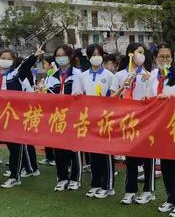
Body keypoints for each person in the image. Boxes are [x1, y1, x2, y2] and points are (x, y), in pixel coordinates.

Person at [110, 43, 155, 205]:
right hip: (127, 120)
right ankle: (130, 190)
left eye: (143, 53)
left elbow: (154, 99)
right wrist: (123, 87)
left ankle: (149, 190)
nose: (141, 55)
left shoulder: (150, 75)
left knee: (147, 156)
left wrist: (149, 82)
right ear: (130, 54)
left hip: (145, 121)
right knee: (130, 158)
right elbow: (111, 98)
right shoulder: (120, 75)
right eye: (138, 52)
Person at [149, 44, 175, 217]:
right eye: (161, 56)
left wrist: (170, 98)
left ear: (172, 59)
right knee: (165, 165)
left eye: (167, 57)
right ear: (156, 58)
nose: (164, 60)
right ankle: (170, 198)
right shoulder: (153, 77)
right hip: (160, 126)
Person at [74, 44, 115, 199]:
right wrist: (78, 95)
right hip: (89, 119)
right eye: (93, 54)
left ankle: (108, 186)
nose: (96, 57)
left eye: (98, 54)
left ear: (102, 56)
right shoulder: (82, 76)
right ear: (89, 57)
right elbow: (78, 94)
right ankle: (96, 183)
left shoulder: (110, 76)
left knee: (105, 153)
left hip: (105, 119)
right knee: (93, 154)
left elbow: (114, 97)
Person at [0, 47, 44, 189]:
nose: (5, 60)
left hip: (14, 116)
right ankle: (16, 171)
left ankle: (15, 176)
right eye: (3, 58)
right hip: (2, 117)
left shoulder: (14, 74)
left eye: (8, 58)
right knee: (10, 146)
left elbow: (24, 65)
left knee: (15, 146)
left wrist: (34, 56)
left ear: (12, 60)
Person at [44, 45, 82, 192]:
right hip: (57, 117)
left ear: (70, 56)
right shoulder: (52, 76)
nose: (60, 58)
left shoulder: (78, 74)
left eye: (63, 55)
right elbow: (48, 95)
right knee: (58, 149)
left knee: (74, 149)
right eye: (57, 55)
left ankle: (75, 178)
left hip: (74, 117)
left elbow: (81, 95)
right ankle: (62, 178)